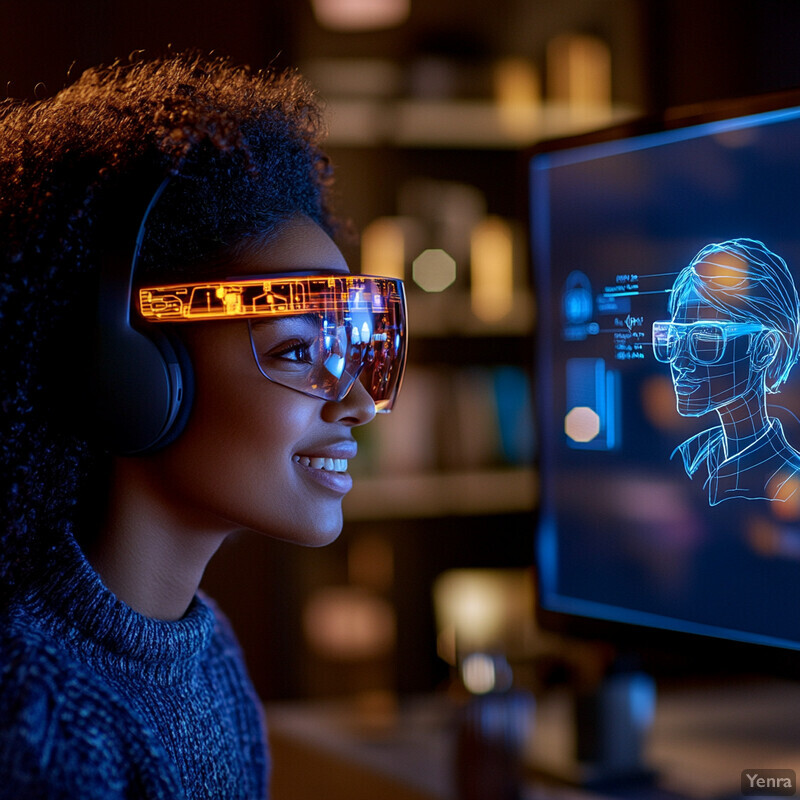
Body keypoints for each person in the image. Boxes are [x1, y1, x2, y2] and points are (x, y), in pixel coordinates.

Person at [0, 51, 407, 798]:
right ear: (127, 367)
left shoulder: (208, 648)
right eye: (296, 351)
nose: (355, 404)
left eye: (355, 354)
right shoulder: (36, 715)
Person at [652, 238, 800, 506]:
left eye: (706, 338)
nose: (679, 361)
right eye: (673, 338)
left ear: (764, 348)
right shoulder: (687, 457)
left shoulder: (788, 485)